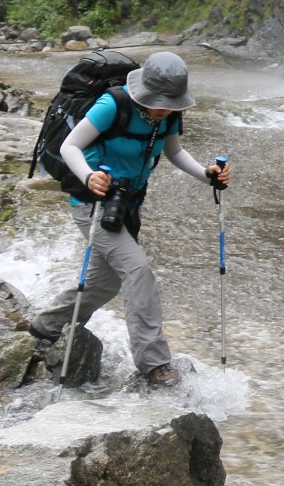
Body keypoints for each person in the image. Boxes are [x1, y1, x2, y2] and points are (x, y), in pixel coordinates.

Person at [29, 51, 228, 387]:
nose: (166, 108)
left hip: (127, 205)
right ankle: (154, 364)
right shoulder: (112, 105)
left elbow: (174, 151)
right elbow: (69, 146)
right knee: (138, 270)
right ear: (143, 92)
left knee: (103, 283)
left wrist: (206, 175)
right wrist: (90, 176)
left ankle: (45, 327)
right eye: (160, 101)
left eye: (172, 102)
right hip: (91, 203)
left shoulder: (169, 113)